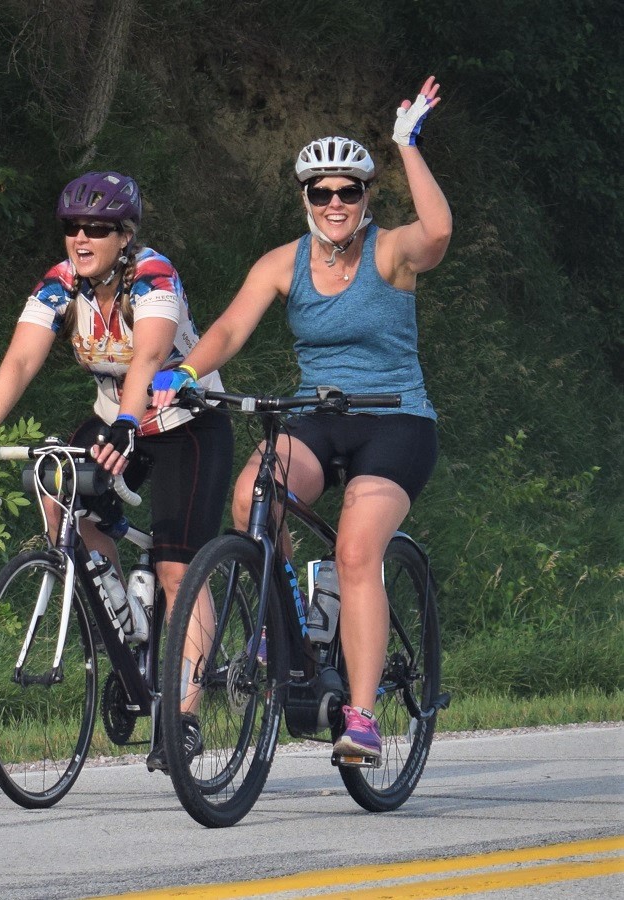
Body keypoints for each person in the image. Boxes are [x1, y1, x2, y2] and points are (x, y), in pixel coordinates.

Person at [152, 77, 452, 763]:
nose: (337, 203)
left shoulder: (391, 252)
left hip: (395, 419)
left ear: (366, 198)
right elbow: (229, 327)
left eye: (349, 191)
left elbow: (438, 231)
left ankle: (364, 717)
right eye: (323, 192)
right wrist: (186, 372)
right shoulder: (282, 263)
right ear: (306, 200)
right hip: (318, 415)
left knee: (354, 551)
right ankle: (283, 625)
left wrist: (407, 144)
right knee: (251, 496)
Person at [0, 171, 234, 770]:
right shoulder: (61, 284)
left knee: (179, 565)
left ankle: (182, 717)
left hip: (183, 422)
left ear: (124, 236)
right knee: (58, 484)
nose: (81, 237)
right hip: (117, 413)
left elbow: (150, 356)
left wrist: (131, 426)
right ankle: (117, 616)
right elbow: (22, 356)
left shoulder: (153, 275)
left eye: (96, 228)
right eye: (73, 227)